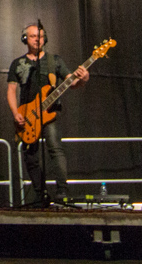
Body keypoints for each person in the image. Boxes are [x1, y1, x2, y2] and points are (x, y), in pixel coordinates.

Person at [7, 21, 88, 205]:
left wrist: (83, 79)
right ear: (25, 38)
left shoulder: (55, 61)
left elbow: (72, 83)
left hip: (49, 114)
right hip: (27, 115)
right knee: (30, 156)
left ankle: (62, 191)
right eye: (34, 36)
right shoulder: (17, 63)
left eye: (41, 36)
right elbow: (11, 90)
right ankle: (40, 193)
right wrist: (15, 113)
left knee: (55, 148)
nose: (38, 39)